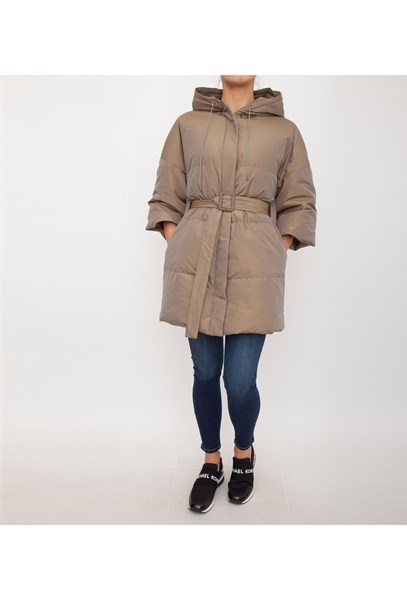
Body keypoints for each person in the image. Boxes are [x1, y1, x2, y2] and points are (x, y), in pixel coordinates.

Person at [145, 75, 317, 513]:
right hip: (198, 262)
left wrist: (274, 247)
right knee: (205, 373)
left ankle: (243, 451)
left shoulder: (285, 131)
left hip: (253, 266)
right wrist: (179, 239)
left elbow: (299, 200)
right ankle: (211, 460)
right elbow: (167, 192)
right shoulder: (187, 124)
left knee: (239, 381)